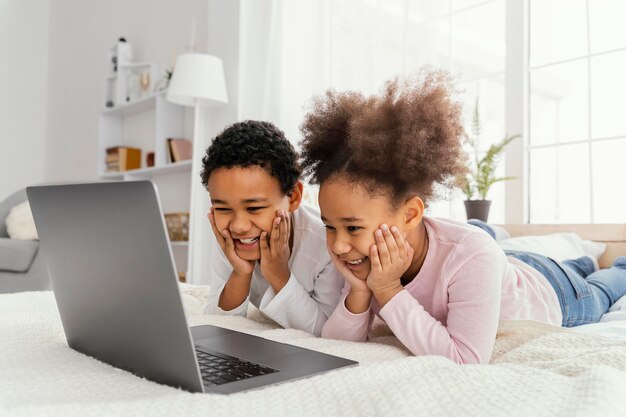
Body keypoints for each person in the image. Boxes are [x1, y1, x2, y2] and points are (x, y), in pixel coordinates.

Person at [298, 69, 626, 364]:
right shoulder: (361, 253)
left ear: (411, 213)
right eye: (329, 226)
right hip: (508, 265)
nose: (339, 245)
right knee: (532, 258)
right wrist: (359, 290)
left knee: (602, 285)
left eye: (353, 227)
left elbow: (465, 359)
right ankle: (578, 260)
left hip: (557, 293)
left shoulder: (470, 254)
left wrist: (387, 290)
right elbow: (339, 347)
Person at [201, 120, 343, 336]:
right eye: (222, 208)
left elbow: (325, 331)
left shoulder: (326, 243)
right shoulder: (230, 238)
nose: (239, 226)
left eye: (255, 208)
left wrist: (279, 275)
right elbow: (216, 322)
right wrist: (240, 273)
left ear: (293, 197)